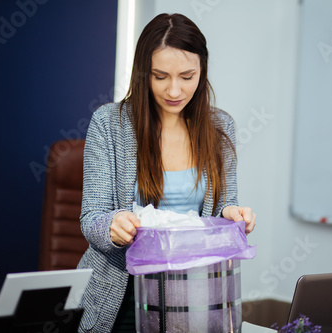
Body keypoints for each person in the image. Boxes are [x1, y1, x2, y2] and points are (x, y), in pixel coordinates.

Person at [76, 13, 256, 332]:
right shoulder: (108, 125)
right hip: (121, 294)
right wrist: (113, 226)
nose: (174, 90)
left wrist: (232, 212)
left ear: (202, 70)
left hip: (194, 292)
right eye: (161, 76)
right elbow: (92, 217)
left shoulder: (220, 127)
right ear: (143, 73)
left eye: (187, 76)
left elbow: (224, 203)